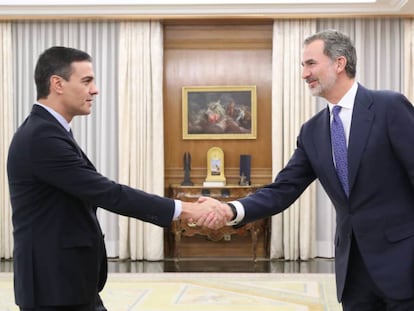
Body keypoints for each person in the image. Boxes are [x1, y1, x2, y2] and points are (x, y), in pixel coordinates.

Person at [198, 29, 414, 310]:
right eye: (303, 66)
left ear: (339, 63)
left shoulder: (388, 107)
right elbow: (283, 189)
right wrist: (232, 209)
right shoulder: (312, 132)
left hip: (404, 263)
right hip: (354, 273)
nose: (304, 74)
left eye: (311, 64)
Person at [7, 46, 224, 311]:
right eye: (86, 81)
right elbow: (107, 193)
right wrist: (186, 208)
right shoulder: (42, 137)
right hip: (53, 286)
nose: (95, 90)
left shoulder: (48, 131)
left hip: (66, 281)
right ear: (57, 84)